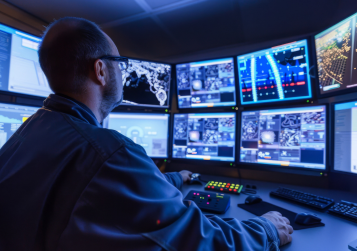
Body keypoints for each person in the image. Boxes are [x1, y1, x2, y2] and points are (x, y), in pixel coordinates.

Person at [0, 17, 293, 251]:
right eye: (119, 63)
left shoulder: (24, 136)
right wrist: (266, 229)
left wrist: (177, 178)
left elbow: (104, 186)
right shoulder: (110, 151)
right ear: (100, 70)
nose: (122, 73)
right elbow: (199, 242)